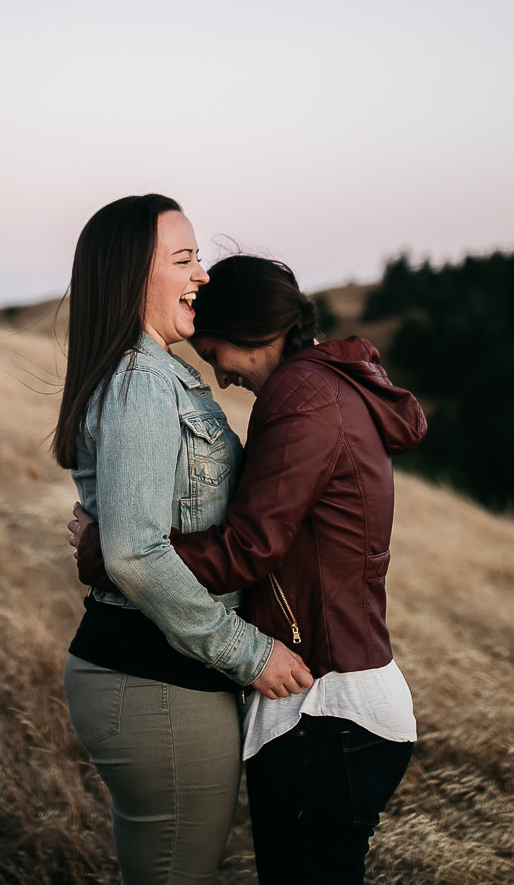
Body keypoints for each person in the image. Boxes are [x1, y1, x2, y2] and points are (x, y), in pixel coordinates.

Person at [73, 254, 426, 884]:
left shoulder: (303, 392)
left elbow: (248, 549)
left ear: (248, 331)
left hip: (327, 707)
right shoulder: (328, 386)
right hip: (333, 697)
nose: (221, 376)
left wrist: (111, 553)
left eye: (214, 352)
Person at [55, 196, 312, 885]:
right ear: (131, 277)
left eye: (197, 256)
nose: (203, 275)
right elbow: (135, 553)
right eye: (184, 259)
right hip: (154, 678)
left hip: (157, 674)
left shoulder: (160, 375)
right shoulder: (141, 382)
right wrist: (249, 654)